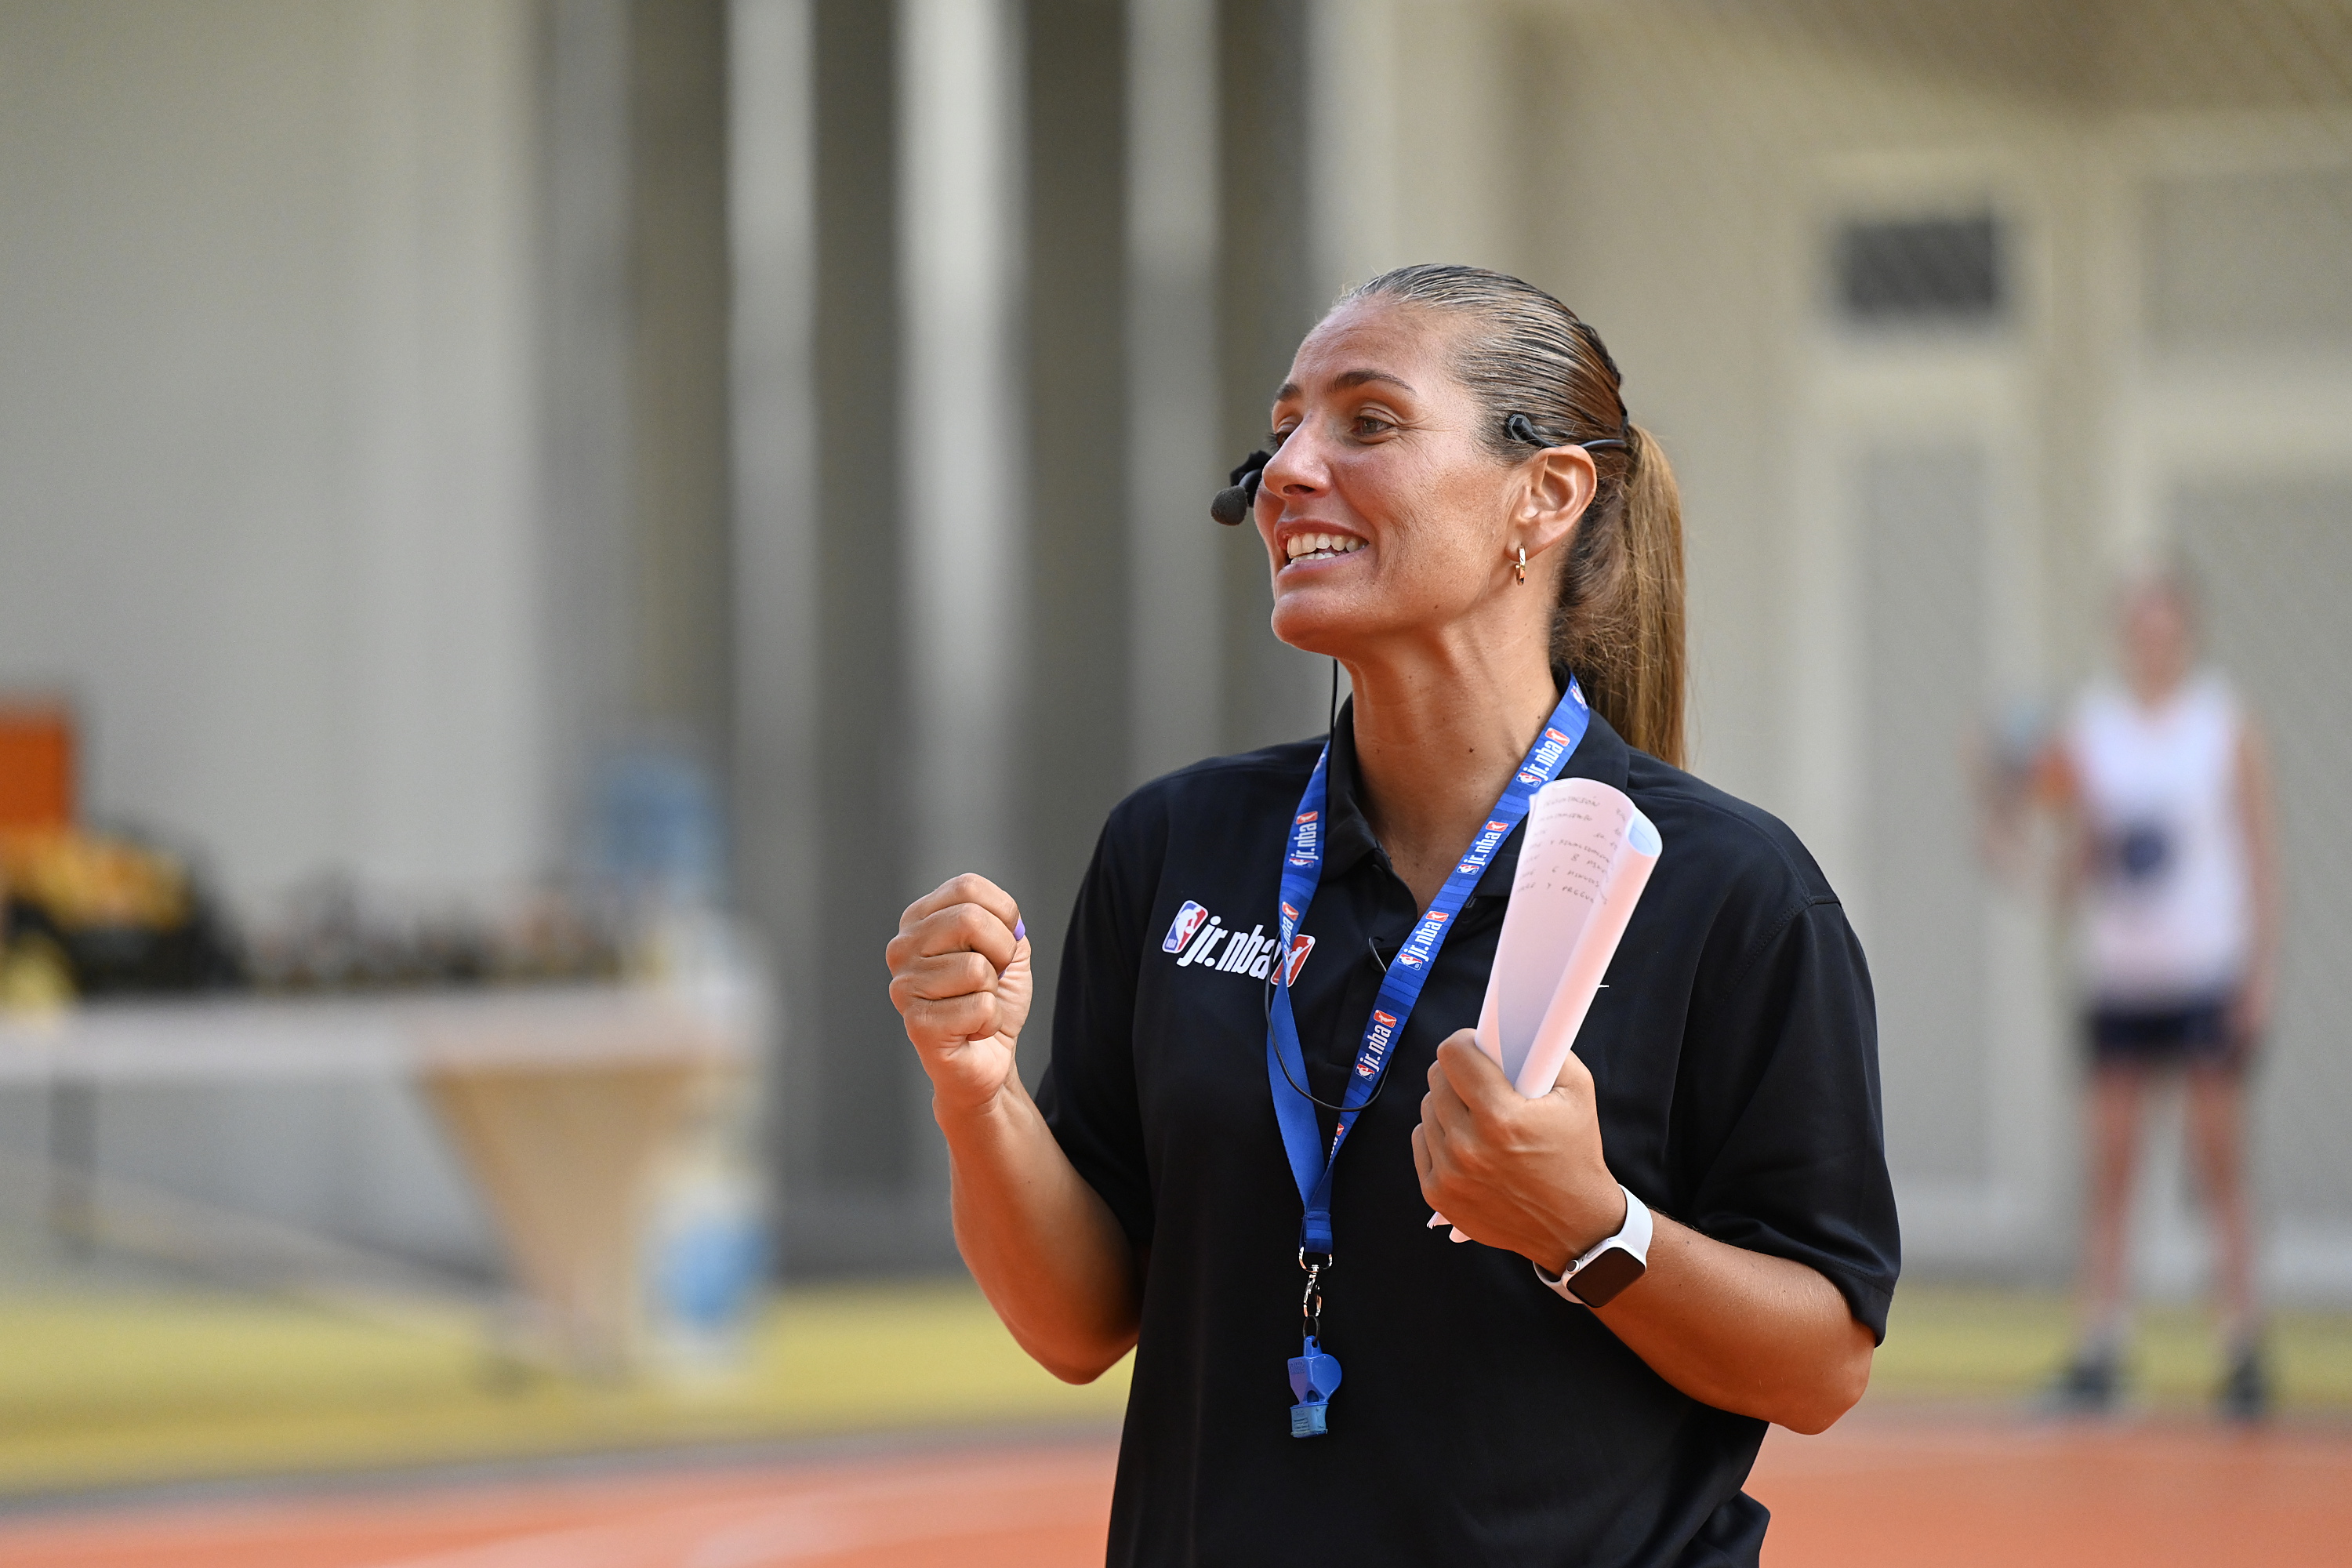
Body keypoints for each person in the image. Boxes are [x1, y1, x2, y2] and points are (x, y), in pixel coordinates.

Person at [885, 264, 1899, 1566]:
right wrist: (977, 1092)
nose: (1289, 471)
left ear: (1544, 494)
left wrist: (1591, 1228)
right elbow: (1081, 1325)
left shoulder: (1728, 892)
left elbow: (1822, 1366)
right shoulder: (1178, 847)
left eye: (1367, 422)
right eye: (1285, 425)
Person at [2034, 568, 2280, 1419]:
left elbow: (2257, 854)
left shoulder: (2221, 723)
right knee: (2112, 1164)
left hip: (2204, 969)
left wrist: (2258, 973)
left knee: (2218, 1162)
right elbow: (2072, 853)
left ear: (2187, 631)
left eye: (2164, 625)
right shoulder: (2093, 729)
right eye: (2138, 625)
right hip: (2121, 974)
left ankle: (2241, 1341)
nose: (2152, 641)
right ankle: (2102, 1342)